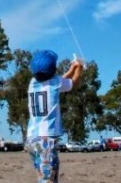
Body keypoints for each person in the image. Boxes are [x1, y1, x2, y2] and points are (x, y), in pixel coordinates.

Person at [26, 50, 83, 183]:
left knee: (48, 175)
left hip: (32, 138)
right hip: (45, 140)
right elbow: (72, 83)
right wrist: (79, 68)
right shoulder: (55, 82)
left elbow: (59, 82)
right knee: (47, 180)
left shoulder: (33, 82)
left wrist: (71, 69)